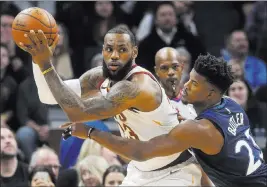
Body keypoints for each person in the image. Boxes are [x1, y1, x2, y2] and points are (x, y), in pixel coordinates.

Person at [20, 26, 203, 186]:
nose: (114, 56)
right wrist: (38, 59)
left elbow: (77, 112)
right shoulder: (100, 77)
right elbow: (49, 96)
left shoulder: (138, 86)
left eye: (122, 49)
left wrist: (46, 64)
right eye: (109, 49)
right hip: (139, 171)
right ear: (103, 50)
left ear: (134, 53)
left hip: (177, 171)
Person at [63, 54, 267, 187]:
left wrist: (90, 132)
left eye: (194, 83)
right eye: (189, 78)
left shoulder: (199, 130)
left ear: (210, 92)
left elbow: (140, 152)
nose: (185, 85)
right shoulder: (231, 104)